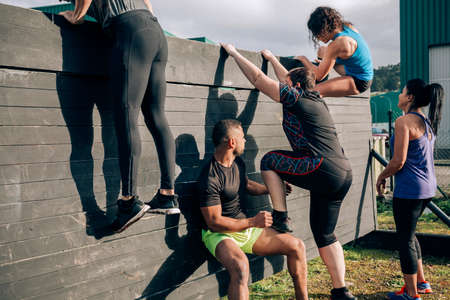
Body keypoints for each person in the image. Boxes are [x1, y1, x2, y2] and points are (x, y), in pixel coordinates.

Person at [221, 43, 355, 300]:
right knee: (325, 233)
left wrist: (235, 53)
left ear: (292, 86)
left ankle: (281, 216)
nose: (283, 84)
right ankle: (341, 290)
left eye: (286, 82)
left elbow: (260, 80)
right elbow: (287, 78)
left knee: (270, 161)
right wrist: (272, 58)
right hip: (342, 172)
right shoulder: (315, 97)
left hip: (321, 167)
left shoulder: (294, 96)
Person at [60, 0, 180, 233]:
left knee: (126, 115)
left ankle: (128, 201)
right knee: (157, 116)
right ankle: (167, 195)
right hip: (154, 30)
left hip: (130, 29)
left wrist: (77, 17)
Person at [198, 119, 308, 300]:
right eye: (242, 137)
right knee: (241, 267)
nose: (245, 140)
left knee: (297, 246)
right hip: (219, 234)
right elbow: (214, 222)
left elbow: (246, 185)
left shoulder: (237, 162)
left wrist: (272, 189)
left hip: (244, 228)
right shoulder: (210, 177)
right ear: (232, 142)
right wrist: (252, 222)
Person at [376, 79, 444, 300]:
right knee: (410, 235)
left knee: (405, 240)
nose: (399, 95)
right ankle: (421, 283)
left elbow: (398, 161)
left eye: (402, 91)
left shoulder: (403, 122)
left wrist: (381, 175)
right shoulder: (426, 120)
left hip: (409, 191)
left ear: (410, 97)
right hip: (427, 188)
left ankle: (412, 295)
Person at [295, 6, 373, 97]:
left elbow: (319, 76)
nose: (317, 38)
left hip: (359, 81)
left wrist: (303, 59)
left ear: (324, 28)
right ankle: (323, 68)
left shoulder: (338, 44)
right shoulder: (347, 26)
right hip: (353, 69)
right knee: (322, 50)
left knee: (313, 92)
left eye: (317, 33)